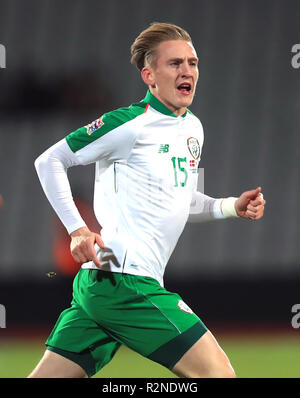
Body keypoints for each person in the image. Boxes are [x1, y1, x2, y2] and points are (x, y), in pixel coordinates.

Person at [29, 22, 266, 378]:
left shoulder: (193, 129)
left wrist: (232, 206)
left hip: (105, 275)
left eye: (193, 62)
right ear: (149, 75)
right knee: (218, 375)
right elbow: (48, 161)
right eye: (175, 63)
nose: (187, 70)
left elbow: (181, 201)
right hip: (125, 279)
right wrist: (78, 229)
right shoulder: (129, 123)